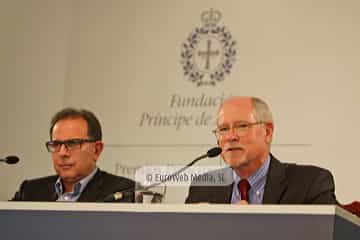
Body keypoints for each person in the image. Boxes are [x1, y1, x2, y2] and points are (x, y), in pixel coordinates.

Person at [186, 97, 337, 204]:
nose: (230, 137)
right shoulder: (203, 187)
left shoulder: (310, 184)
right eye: (223, 129)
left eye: (242, 126)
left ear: (268, 132)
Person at [12, 108, 134, 202]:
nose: (62, 153)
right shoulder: (30, 191)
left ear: (96, 150)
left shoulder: (122, 192)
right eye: (56, 144)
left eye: (73, 143)